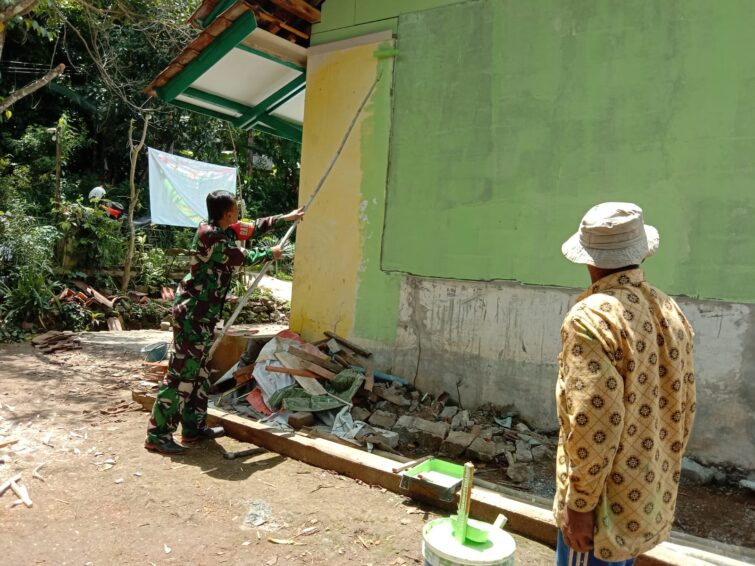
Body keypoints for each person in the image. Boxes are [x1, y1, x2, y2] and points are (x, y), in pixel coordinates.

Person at [554, 202, 696, 565]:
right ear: (640, 254)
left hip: (601, 509)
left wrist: (579, 505)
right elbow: (686, 405)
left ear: (589, 260)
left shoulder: (591, 318)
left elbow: (593, 423)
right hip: (644, 496)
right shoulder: (668, 310)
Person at [145, 190, 304, 455]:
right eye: (235, 210)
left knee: (200, 372)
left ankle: (193, 429)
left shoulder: (226, 229)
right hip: (192, 316)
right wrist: (270, 253)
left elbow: (253, 227)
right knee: (182, 374)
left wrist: (284, 218)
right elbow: (241, 257)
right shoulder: (211, 237)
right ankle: (157, 434)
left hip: (205, 316)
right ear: (227, 213)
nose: (238, 214)